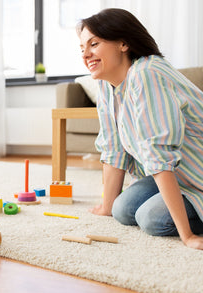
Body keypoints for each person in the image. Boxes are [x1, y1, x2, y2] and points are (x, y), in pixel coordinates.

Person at [79, 8, 203, 250]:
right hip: (177, 173)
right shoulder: (106, 85)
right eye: (82, 48)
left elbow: (159, 155)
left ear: (123, 43)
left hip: (197, 174)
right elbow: (114, 148)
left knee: (151, 219)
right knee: (121, 210)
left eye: (94, 44)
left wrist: (186, 236)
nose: (86, 54)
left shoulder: (148, 74)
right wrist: (106, 207)